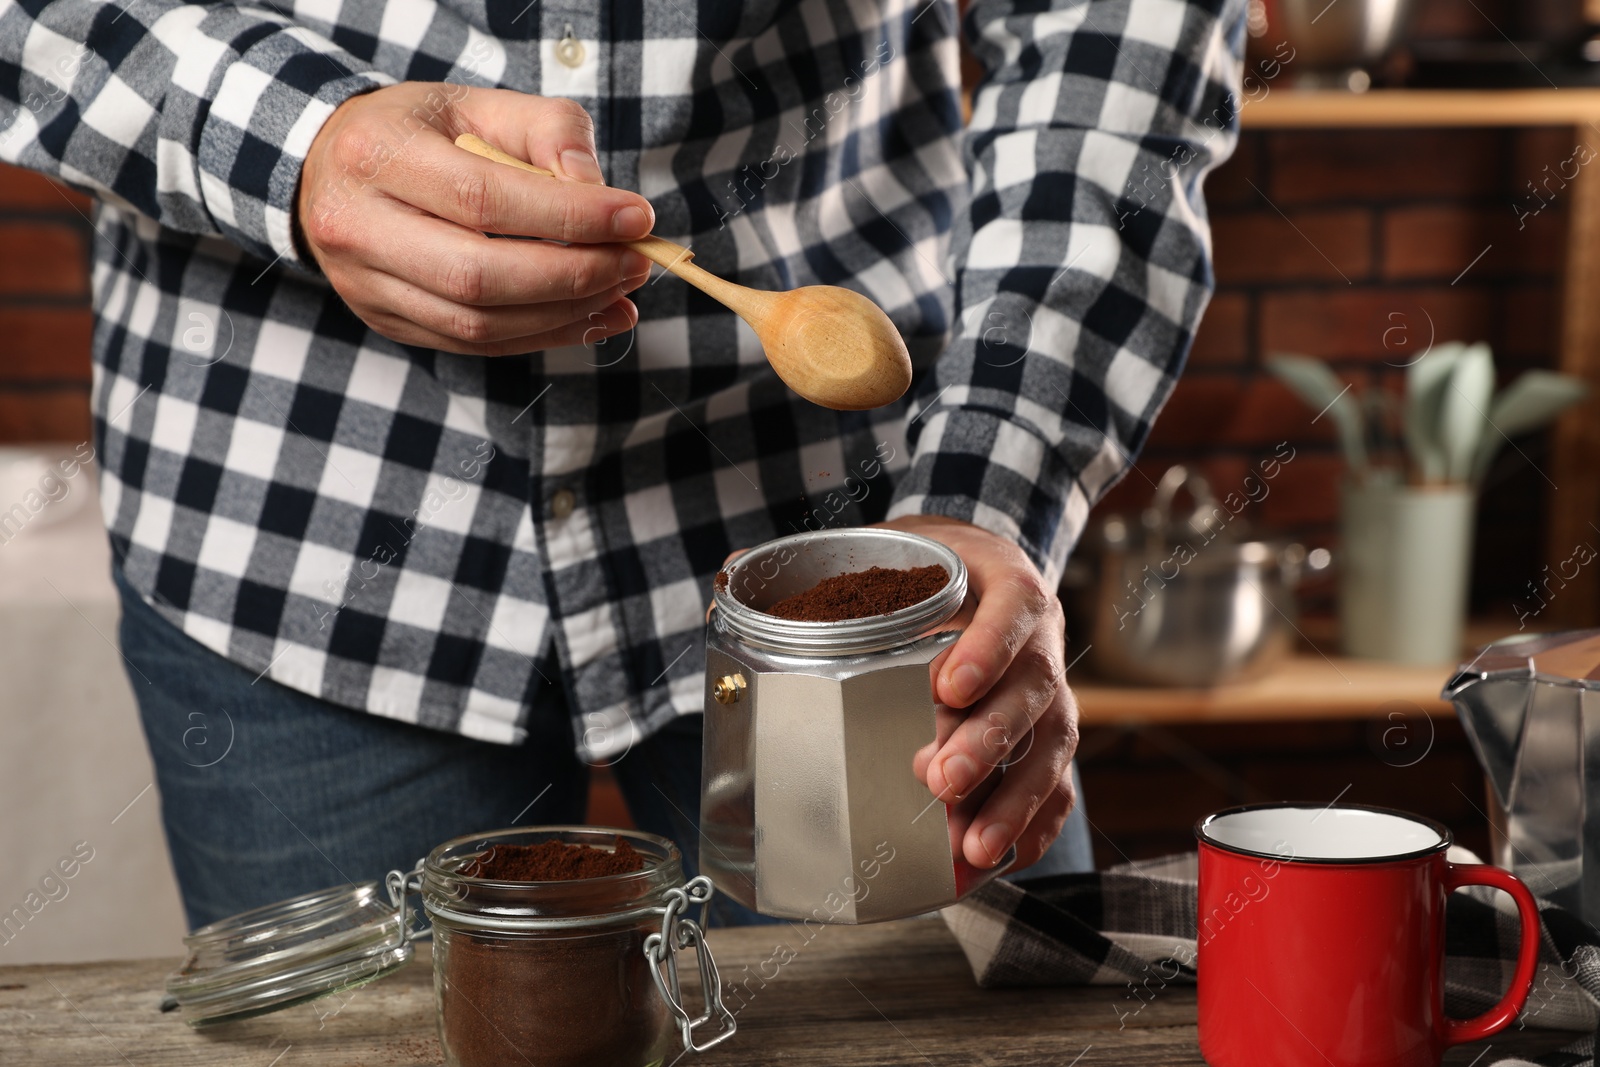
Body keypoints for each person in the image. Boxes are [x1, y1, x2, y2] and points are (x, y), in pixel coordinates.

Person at [0, 0, 1245, 928]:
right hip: (298, 521)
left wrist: (989, 488)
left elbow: (1121, 33)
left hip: (855, 546)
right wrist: (288, 138)